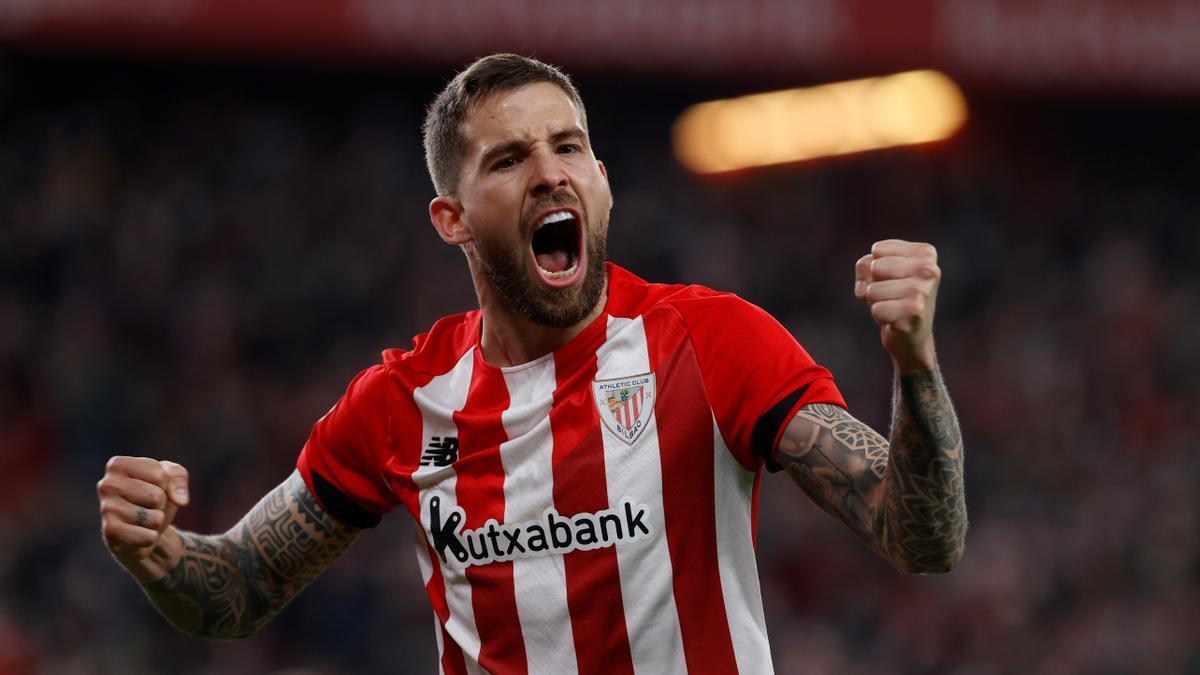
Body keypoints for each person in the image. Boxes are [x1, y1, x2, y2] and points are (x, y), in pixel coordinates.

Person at [97, 54, 966, 673]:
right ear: (453, 219)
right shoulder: (401, 401)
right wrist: (157, 552)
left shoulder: (712, 339)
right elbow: (240, 587)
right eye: (509, 159)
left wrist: (917, 370)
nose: (550, 173)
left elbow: (923, 536)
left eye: (569, 147)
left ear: (603, 180)